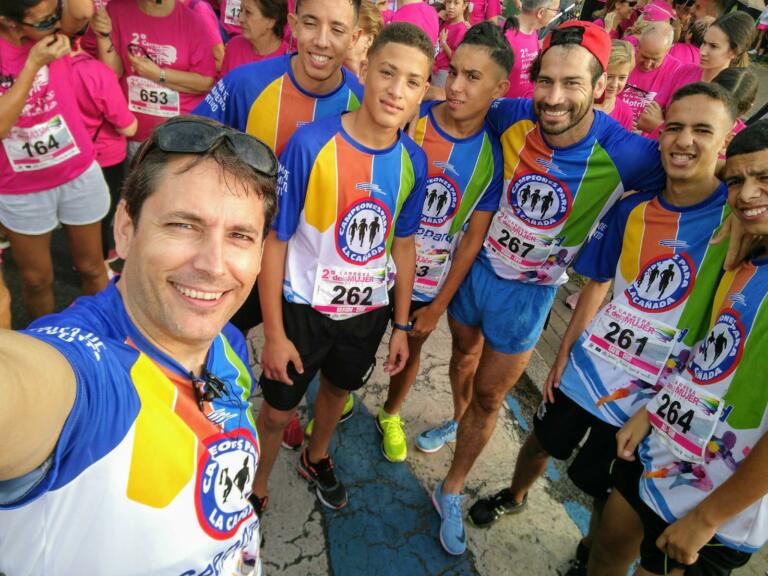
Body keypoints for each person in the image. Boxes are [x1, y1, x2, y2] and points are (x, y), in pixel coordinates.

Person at [472, 82, 737, 576]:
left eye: (703, 130)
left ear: (724, 141)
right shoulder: (633, 208)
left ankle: (590, 550)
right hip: (593, 369)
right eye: (675, 127)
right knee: (539, 443)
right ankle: (515, 494)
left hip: (653, 396)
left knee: (609, 486)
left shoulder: (736, 221)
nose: (684, 140)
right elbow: (596, 284)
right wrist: (564, 353)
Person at [426, 20, 667, 558]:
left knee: (491, 395)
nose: (554, 98)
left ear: (601, 89)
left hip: (530, 297)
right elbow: (445, 106)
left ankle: (452, 488)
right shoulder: (513, 116)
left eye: (572, 84)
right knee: (463, 358)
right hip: (475, 273)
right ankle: (454, 417)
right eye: (546, 81)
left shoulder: (629, 155)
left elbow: (700, 182)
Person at [0, 115, 279, 575]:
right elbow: (26, 390)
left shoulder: (225, 342)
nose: (213, 265)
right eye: (183, 225)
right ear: (125, 229)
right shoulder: (91, 378)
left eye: (239, 236)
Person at [253, 22, 431, 513]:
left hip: (366, 314)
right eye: (388, 73)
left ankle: (317, 455)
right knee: (276, 412)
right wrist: (273, 332)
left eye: (412, 82)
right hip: (303, 312)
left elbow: (404, 246)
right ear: (366, 67)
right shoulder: (312, 144)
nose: (396, 91)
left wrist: (399, 325)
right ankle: (259, 483)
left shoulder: (414, 161)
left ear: (423, 92)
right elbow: (277, 241)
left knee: (337, 391)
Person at [593, 119, 768, 576]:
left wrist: (707, 519)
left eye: (764, 178)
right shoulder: (746, 251)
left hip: (720, 504)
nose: (748, 194)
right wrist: (652, 412)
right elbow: (708, 355)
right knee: (608, 546)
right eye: (737, 181)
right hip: (665, 447)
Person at [195, 0, 366, 458]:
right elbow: (187, 142)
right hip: (239, 258)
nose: (322, 40)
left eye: (337, 29)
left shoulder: (364, 103)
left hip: (309, 276)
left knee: (288, 374)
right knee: (206, 349)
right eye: (311, 23)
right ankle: (205, 433)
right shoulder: (245, 83)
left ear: (354, 37)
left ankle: (281, 416)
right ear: (293, 26)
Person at [376, 22, 509, 463]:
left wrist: (438, 306)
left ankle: (391, 412)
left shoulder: (492, 157)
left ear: (499, 88)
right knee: (354, 342)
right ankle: (338, 397)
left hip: (428, 281)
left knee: (408, 351)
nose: (454, 85)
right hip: (371, 263)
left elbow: (472, 240)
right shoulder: (410, 119)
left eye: (473, 77)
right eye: (453, 71)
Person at [0, 0, 110, 320]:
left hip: (75, 171)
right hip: (21, 186)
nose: (55, 22)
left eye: (56, 11)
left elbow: (83, 12)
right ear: (9, 23)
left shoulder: (54, 28)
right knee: (36, 281)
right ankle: (43, 346)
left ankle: (101, 338)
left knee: (92, 267)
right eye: (45, 19)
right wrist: (33, 64)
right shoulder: (38, 47)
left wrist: (54, 13)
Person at [92, 0, 217, 157]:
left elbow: (205, 82)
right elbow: (112, 73)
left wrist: (159, 75)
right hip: (137, 135)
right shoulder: (117, 10)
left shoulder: (193, 22)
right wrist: (103, 36)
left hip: (180, 135)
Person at [69, 36, 138, 269]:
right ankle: (95, 261)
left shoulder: (40, 69)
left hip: (68, 155)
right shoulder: (97, 73)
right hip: (103, 156)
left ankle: (79, 254)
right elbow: (127, 125)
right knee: (101, 212)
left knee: (75, 211)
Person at [637, 11, 755, 134]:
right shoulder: (684, 72)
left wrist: (659, 125)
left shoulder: (732, 90)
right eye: (704, 43)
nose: (703, 51)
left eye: (713, 46)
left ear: (734, 51)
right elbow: (644, 120)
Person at [618, 20, 681, 129]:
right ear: (638, 44)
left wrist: (657, 124)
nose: (647, 64)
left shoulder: (677, 71)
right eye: (644, 56)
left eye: (655, 59)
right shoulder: (625, 57)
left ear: (668, 50)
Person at [502, 0, 561, 98]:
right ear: (541, 12)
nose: (555, 15)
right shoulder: (506, 36)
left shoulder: (532, 31)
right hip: (508, 109)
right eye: (555, 10)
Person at [220, 0, 289, 76]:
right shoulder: (234, 46)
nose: (240, 19)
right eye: (241, 10)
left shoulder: (289, 60)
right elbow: (223, 85)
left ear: (270, 21)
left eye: (248, 12)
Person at [595, 39, 635, 130]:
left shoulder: (625, 113)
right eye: (609, 77)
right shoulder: (582, 102)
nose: (614, 84)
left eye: (622, 78)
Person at [432, 0, 469, 88]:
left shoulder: (462, 29)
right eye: (449, 2)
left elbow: (456, 58)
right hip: (434, 69)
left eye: (456, 3)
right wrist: (437, 17)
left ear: (464, 5)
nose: (451, 7)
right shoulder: (445, 22)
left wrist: (444, 43)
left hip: (444, 72)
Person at [343, 0, 383, 78]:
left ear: (369, 40)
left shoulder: (377, 79)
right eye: (340, 30)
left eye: (353, 34)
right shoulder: (328, 73)